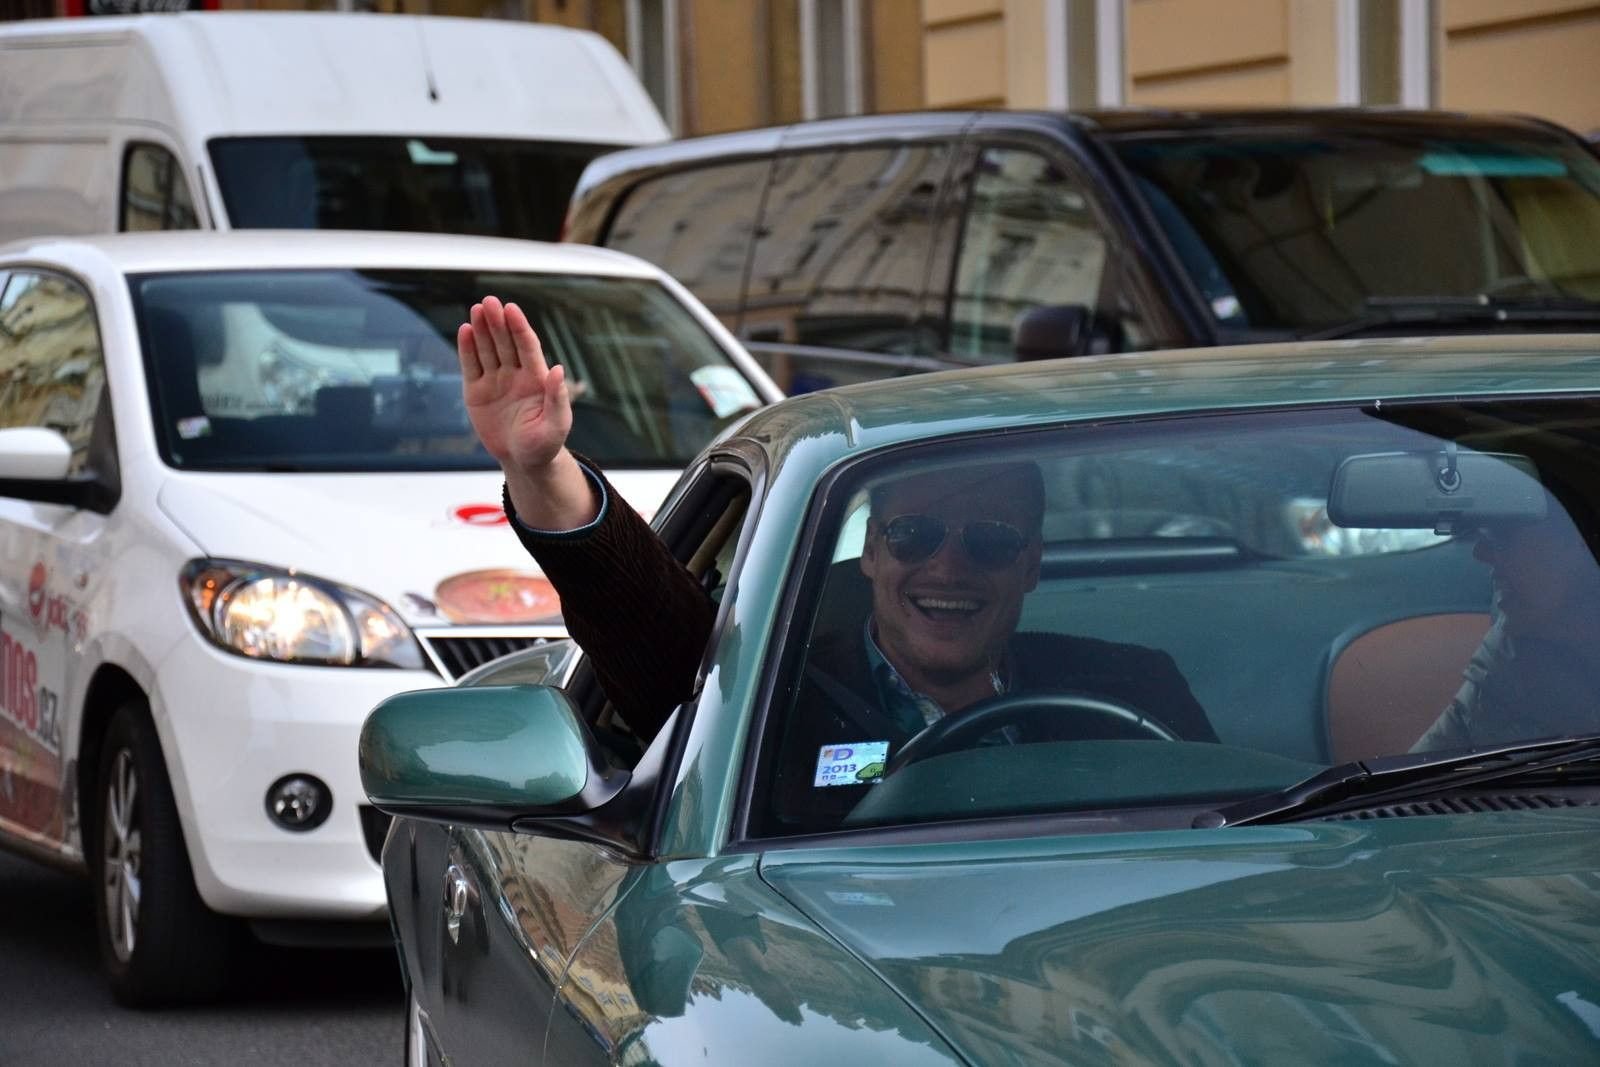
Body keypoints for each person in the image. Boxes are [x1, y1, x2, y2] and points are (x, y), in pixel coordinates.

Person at [458, 296, 1216, 827]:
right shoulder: (768, 694)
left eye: (989, 541)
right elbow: (639, 615)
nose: (949, 567)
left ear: (1031, 564)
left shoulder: (1132, 689)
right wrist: (539, 468)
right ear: (872, 552)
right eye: (915, 535)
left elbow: (1227, 830)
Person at [1412, 505, 1600, 752]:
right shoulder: (1506, 653)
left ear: (1582, 543)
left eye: (1502, 535)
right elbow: (1431, 761)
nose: (1480, 553)